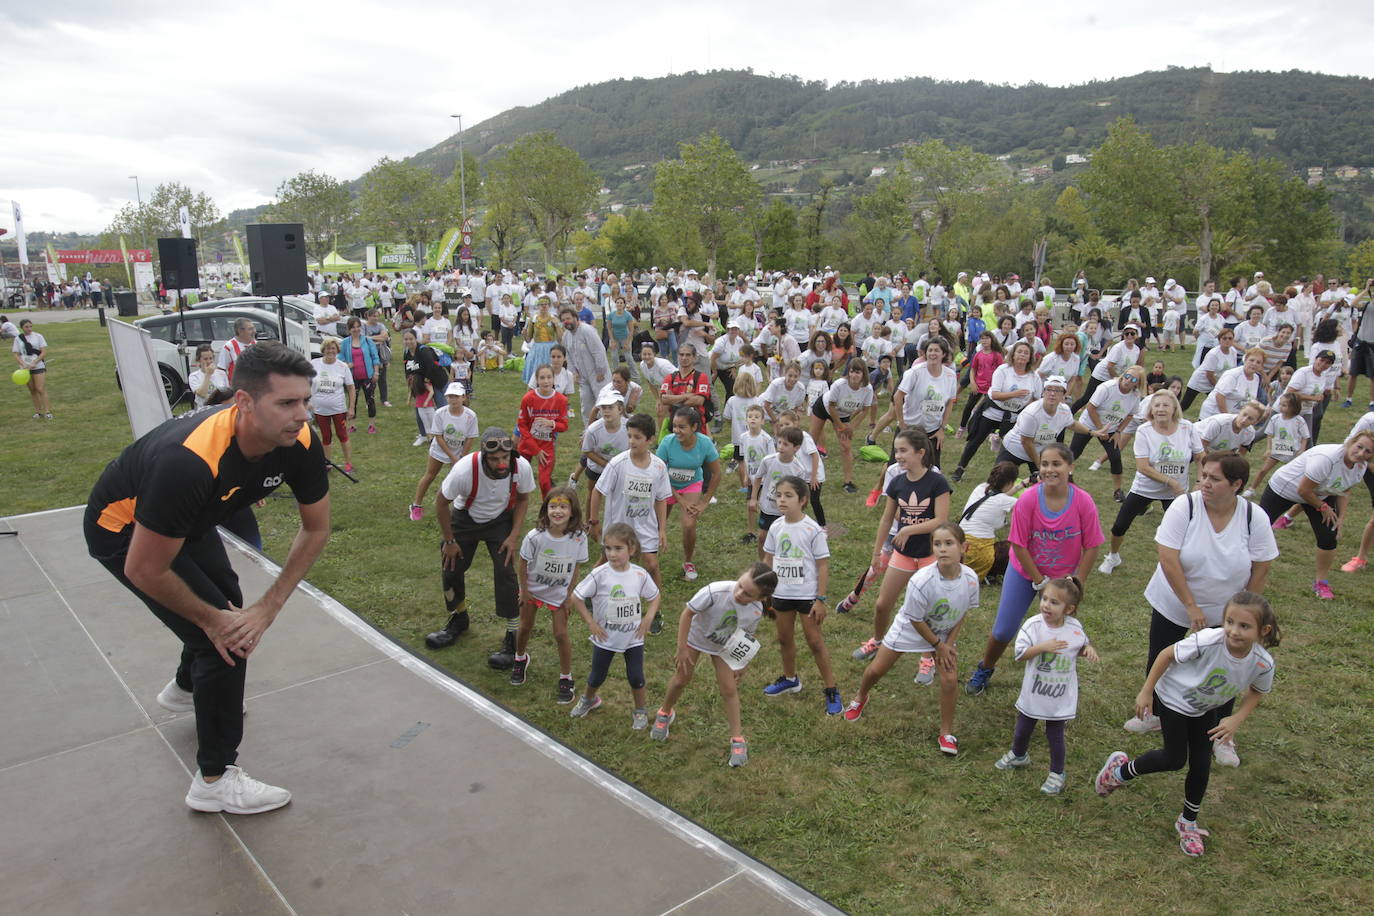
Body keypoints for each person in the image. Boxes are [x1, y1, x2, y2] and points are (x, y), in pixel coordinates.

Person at [83, 341, 330, 814]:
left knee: (231, 602)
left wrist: (268, 607)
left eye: (305, 400)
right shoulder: (190, 461)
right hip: (123, 530)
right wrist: (217, 624)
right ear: (243, 402)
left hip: (186, 518)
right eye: (285, 403)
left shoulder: (297, 440)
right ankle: (215, 780)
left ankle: (185, 689)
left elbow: (316, 528)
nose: (301, 415)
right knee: (225, 639)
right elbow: (143, 568)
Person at [1096, 593, 1279, 858]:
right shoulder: (1209, 640)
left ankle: (1188, 822)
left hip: (1204, 708)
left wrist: (1237, 718)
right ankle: (1119, 772)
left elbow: (1257, 691)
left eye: (1244, 626)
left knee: (1202, 763)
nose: (1234, 631)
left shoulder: (1263, 663)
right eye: (1229, 622)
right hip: (1173, 698)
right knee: (1174, 758)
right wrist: (1147, 692)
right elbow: (1166, 654)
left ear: (1264, 631)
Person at [1126, 452, 1277, 767]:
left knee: (1224, 671)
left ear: (1236, 484)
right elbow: (1167, 557)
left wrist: (1248, 614)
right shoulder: (1187, 506)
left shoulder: (1254, 517)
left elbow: (1261, 568)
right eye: (1203, 476)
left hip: (1228, 613)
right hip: (1175, 600)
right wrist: (1190, 605)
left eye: (1214, 478)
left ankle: (1221, 735)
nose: (1204, 483)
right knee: (1162, 655)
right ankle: (1154, 713)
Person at [966, 443, 1103, 696]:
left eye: (1056, 464)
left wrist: (1077, 581)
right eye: (1045, 464)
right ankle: (985, 667)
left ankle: (1059, 677)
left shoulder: (1083, 501)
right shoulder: (1028, 499)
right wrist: (1040, 581)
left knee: (1063, 630)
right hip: (1025, 571)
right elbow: (1018, 545)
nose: (1050, 469)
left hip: (1062, 580)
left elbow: (1092, 545)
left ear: (1070, 467)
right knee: (1003, 629)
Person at [843, 523, 977, 756]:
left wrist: (947, 645)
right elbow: (915, 618)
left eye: (949, 543)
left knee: (950, 680)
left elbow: (963, 611)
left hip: (943, 633)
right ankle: (860, 697)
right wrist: (937, 646)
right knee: (876, 670)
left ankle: (946, 732)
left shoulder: (971, 579)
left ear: (964, 547)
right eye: (937, 544)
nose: (943, 549)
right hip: (911, 628)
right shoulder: (922, 580)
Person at [427, 429, 537, 669]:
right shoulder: (465, 470)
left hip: (500, 520)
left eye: (505, 458)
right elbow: (441, 501)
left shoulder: (521, 467)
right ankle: (458, 617)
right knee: (451, 567)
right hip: (465, 518)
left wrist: (513, 536)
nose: (501, 463)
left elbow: (523, 499)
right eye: (495, 459)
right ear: (484, 456)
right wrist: (449, 541)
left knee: (506, 573)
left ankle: (512, 637)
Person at [651, 563, 779, 766]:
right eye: (740, 586)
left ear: (760, 599)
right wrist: (682, 648)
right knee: (681, 679)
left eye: (747, 594)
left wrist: (741, 663)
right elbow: (687, 614)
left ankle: (737, 738)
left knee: (729, 690)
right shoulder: (714, 591)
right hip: (696, 638)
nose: (739, 594)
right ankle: (665, 712)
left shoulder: (755, 611)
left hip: (723, 645)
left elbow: (746, 636)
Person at [853, 428, 951, 660]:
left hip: (929, 554)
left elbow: (941, 520)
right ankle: (877, 641)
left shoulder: (937, 482)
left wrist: (908, 529)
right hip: (903, 554)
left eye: (903, 450)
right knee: (882, 604)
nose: (898, 455)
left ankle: (927, 656)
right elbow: (887, 518)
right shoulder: (897, 481)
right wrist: (876, 554)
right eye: (896, 450)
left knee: (928, 610)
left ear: (920, 453)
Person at [995, 576, 1098, 794]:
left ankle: (1057, 772)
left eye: (1054, 602)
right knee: (1023, 729)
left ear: (1068, 609)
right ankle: (1019, 754)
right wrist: (1043, 647)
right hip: (1034, 692)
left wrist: (1087, 649)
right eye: (1045, 599)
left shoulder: (1074, 627)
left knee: (1055, 734)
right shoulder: (1033, 626)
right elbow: (1020, 654)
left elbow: (1079, 644)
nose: (1046, 605)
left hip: (1059, 696)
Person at [759, 476, 843, 716]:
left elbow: (823, 566)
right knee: (784, 639)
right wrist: (765, 591)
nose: (782, 500)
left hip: (806, 595)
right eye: (778, 495)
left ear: (803, 500)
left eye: (788, 496)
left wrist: (820, 599)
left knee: (815, 641)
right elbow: (768, 559)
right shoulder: (776, 527)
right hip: (782, 594)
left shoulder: (812, 530)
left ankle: (831, 689)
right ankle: (790, 679)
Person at [1098, 390, 1204, 576]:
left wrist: (1199, 481)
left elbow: (1201, 456)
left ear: (1174, 409)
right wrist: (1171, 482)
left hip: (1176, 492)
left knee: (1184, 530)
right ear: (1150, 410)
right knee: (1119, 526)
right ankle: (1113, 556)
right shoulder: (1144, 431)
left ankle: (1180, 563)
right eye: (1156, 406)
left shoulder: (1188, 427)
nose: (1161, 409)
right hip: (1145, 488)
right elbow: (1143, 467)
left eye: (1165, 405)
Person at [567, 523, 661, 726]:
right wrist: (591, 622)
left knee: (636, 676)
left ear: (632, 549)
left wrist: (648, 617)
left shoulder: (640, 575)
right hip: (606, 637)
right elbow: (576, 597)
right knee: (596, 676)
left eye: (618, 549)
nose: (612, 554)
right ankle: (589, 700)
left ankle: (640, 710)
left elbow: (654, 597)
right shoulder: (600, 574)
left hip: (633, 637)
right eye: (608, 548)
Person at [1262, 431, 1374, 598]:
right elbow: (1303, 490)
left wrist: (1340, 518)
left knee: (1329, 536)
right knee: (1258, 527)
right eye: (1359, 447)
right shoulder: (1327, 458)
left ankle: (1321, 583)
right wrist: (1323, 507)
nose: (1360, 453)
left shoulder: (1360, 467)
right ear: (1351, 442)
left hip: (1318, 495)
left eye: (1368, 451)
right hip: (1285, 488)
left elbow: (1344, 490)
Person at [511, 487, 589, 701]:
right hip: (533, 591)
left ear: (572, 512)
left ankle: (566, 677)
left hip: (559, 594)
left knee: (561, 634)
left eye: (563, 507)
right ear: (545, 510)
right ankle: (520, 659)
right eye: (553, 506)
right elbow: (523, 563)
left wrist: (569, 595)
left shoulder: (578, 538)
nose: (557, 511)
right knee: (525, 627)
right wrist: (524, 591)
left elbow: (576, 569)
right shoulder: (535, 537)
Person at [589, 412, 671, 610]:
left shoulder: (659, 467)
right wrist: (594, 521)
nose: (632, 441)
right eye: (629, 436)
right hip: (618, 526)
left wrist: (662, 529)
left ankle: (655, 610)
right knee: (606, 562)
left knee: (651, 565)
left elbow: (661, 499)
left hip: (646, 527)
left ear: (650, 439)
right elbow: (597, 492)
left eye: (637, 437)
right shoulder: (617, 464)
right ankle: (588, 591)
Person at [951, 341, 1040, 484]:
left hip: (1014, 416)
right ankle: (960, 468)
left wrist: (1025, 411)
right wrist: (1015, 394)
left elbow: (1036, 400)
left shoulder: (1033, 377)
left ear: (1030, 357)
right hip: (993, 411)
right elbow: (996, 394)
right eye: (1019, 352)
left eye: (1026, 353)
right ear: (1013, 354)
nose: (1022, 355)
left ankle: (1034, 474)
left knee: (1015, 445)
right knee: (975, 440)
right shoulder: (1003, 370)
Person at [657, 406, 722, 582]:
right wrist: (679, 499)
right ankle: (650, 555)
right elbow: (659, 474)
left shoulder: (705, 443)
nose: (677, 431)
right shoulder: (667, 443)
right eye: (675, 426)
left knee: (689, 524)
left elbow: (717, 473)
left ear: (694, 427)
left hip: (692, 484)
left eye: (682, 427)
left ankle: (688, 562)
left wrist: (705, 501)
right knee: (657, 524)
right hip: (666, 484)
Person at [995, 376, 1092, 474]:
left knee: (1049, 484)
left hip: (1040, 451)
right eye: (1049, 389)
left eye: (1058, 390)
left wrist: (1092, 432)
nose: (1052, 394)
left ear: (1064, 394)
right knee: (999, 480)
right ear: (1043, 392)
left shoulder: (1064, 410)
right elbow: (1026, 442)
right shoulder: (1032, 413)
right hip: (1014, 448)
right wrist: (1039, 463)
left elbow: (1072, 424)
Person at [411, 382, 477, 520]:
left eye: (456, 396)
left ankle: (460, 508)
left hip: (459, 452)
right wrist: (452, 457)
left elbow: (470, 438)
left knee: (459, 479)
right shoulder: (440, 413)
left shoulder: (470, 416)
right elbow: (438, 436)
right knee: (430, 475)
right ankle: (416, 505)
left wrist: (462, 456)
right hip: (440, 450)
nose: (453, 400)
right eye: (450, 396)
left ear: (463, 397)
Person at [812, 357, 874, 494]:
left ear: (864, 374)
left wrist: (852, 426)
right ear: (848, 372)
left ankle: (848, 482)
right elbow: (831, 406)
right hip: (824, 407)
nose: (854, 375)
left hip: (843, 413)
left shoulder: (867, 389)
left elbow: (865, 409)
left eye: (858, 372)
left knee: (846, 447)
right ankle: (805, 474)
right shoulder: (839, 384)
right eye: (852, 371)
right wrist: (840, 426)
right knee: (811, 442)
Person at [959, 462, 1021, 582]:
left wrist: (1022, 484)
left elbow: (997, 497)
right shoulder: (1006, 501)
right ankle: (991, 573)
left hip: (959, 547)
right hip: (979, 553)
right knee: (1011, 549)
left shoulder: (980, 488)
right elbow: (1024, 504)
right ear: (1010, 482)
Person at [517, 364, 570, 496]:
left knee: (544, 482)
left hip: (546, 446)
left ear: (554, 379)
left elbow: (564, 426)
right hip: (527, 443)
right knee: (518, 479)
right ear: (536, 380)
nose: (546, 381)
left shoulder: (561, 400)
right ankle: (514, 506)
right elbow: (522, 425)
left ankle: (547, 510)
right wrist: (535, 449)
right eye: (542, 378)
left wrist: (552, 423)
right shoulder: (528, 398)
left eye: (549, 377)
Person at [1247, 392, 1309, 497]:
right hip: (1278, 449)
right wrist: (1268, 449)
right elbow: (1270, 434)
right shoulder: (1275, 418)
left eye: (1284, 405)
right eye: (1280, 404)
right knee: (1263, 470)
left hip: (1294, 452)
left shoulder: (1299, 421)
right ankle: (1251, 489)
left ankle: (1295, 492)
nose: (1280, 407)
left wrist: (1302, 449)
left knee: (1294, 474)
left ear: (1293, 407)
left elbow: (1305, 436)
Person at [311, 338, 355, 472]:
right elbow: (306, 383)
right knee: (326, 436)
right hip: (320, 409)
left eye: (333, 348)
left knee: (342, 434)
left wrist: (351, 407)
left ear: (337, 351)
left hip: (338, 408)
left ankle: (348, 463)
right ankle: (327, 463)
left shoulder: (342, 366)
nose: (330, 351)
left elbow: (351, 387)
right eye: (328, 348)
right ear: (323, 350)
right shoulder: (314, 364)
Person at [560, 306, 611, 420]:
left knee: (603, 403)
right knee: (586, 405)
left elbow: (599, 351)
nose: (566, 322)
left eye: (568, 318)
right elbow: (568, 355)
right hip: (582, 376)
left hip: (597, 374)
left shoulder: (587, 330)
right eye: (563, 320)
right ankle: (588, 432)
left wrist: (601, 370)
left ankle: (606, 429)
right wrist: (573, 372)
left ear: (575, 318)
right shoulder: (566, 336)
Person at [340, 317, 380, 435]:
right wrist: (347, 364)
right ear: (349, 329)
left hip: (368, 376)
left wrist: (376, 372)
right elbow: (340, 358)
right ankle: (352, 425)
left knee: (370, 400)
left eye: (358, 327)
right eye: (353, 327)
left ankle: (371, 425)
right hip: (352, 378)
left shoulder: (367, 341)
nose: (356, 329)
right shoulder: (345, 343)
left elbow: (375, 357)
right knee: (353, 401)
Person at [12, 317, 51, 418]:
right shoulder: (18, 339)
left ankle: (48, 412)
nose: (29, 328)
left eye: (30, 326)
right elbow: (16, 354)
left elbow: (43, 352)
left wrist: (35, 362)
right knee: (32, 390)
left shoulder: (38, 336)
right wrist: (23, 364)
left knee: (40, 388)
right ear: (22, 328)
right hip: (25, 369)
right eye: (26, 327)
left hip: (38, 366)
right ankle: (38, 412)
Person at [216, 318, 257, 384]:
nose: (254, 331)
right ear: (240, 331)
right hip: (237, 387)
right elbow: (221, 370)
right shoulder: (229, 347)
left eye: (254, 328)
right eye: (250, 329)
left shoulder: (257, 345)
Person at [188, 344, 229, 408]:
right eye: (205, 359)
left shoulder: (222, 373)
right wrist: (208, 375)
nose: (209, 361)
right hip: (204, 409)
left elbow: (227, 393)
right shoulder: (194, 376)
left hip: (220, 408)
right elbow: (202, 394)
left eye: (211, 358)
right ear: (199, 360)